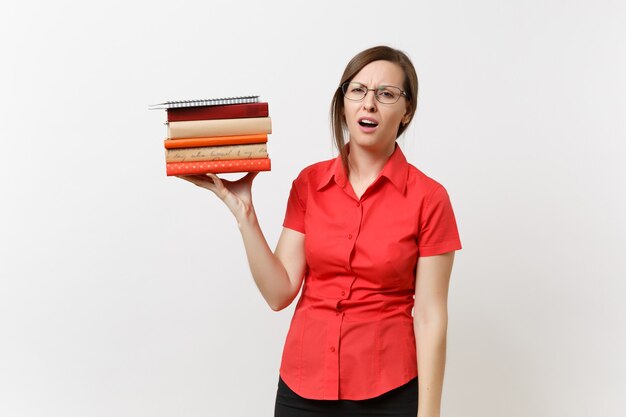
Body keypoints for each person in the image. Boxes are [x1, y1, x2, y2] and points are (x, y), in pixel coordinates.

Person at [178, 45, 462, 417]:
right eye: (357, 90)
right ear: (343, 103)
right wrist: (243, 212)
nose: (369, 104)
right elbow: (279, 293)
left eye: (386, 94)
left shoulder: (430, 198)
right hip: (303, 385)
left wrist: (429, 414)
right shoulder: (309, 184)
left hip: (389, 389)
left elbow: (430, 317)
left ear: (406, 110)